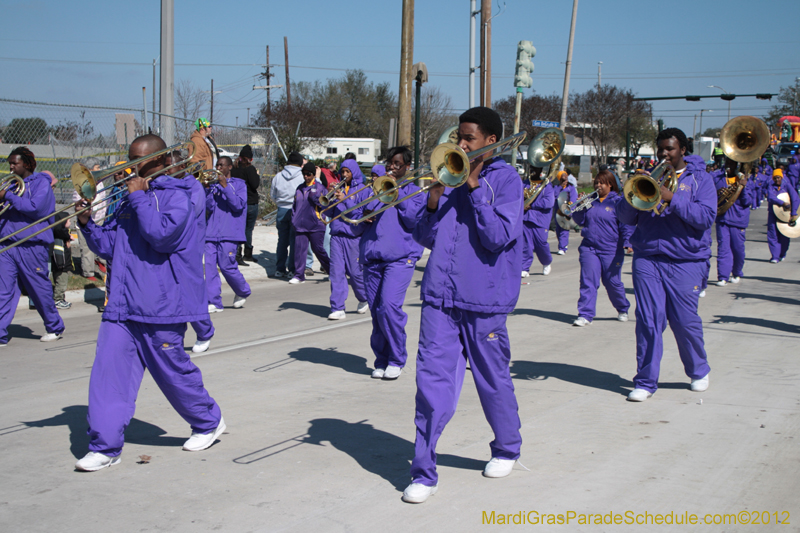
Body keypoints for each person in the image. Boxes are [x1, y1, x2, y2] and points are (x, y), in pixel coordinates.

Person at [74, 134, 224, 471]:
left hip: (162, 304)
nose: (128, 168)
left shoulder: (184, 194)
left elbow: (162, 235)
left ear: (160, 161)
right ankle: (105, 447)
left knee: (173, 373)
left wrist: (139, 196)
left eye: (136, 162)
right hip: (123, 303)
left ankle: (208, 422)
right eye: (129, 160)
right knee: (107, 376)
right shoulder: (130, 199)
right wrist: (86, 223)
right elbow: (110, 246)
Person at [403, 107, 523, 504]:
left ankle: (507, 448)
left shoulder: (505, 181)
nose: (460, 144)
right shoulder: (448, 177)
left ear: (490, 141)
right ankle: (423, 471)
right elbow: (425, 235)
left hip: (485, 299)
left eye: (468, 138)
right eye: (458, 137)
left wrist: (473, 188)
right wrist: (435, 200)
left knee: (492, 379)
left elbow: (498, 237)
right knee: (430, 385)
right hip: (440, 296)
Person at [616, 128, 716, 402]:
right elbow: (624, 218)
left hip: (686, 259)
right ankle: (646, 381)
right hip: (647, 258)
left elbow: (705, 217)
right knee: (649, 320)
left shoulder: (701, 180)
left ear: (683, 149)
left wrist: (671, 198)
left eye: (670, 149)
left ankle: (698, 370)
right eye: (661, 149)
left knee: (684, 321)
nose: (664, 154)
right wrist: (634, 192)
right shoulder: (648, 176)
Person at [360, 146, 425, 381]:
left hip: (400, 258)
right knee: (377, 314)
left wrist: (396, 194)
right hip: (372, 258)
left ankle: (397, 359)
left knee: (389, 307)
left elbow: (413, 221)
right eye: (390, 163)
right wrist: (364, 216)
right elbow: (354, 223)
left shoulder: (416, 192)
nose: (392, 167)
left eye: (397, 164)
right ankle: (381, 359)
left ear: (407, 167)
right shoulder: (374, 191)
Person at [0, 147, 66, 345]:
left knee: (39, 288)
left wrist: (8, 197)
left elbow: (35, 209)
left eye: (15, 163)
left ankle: (54, 327)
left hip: (32, 245)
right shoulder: (11, 185)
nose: (11, 167)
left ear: (27, 164)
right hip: (8, 243)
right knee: (3, 290)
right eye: (10, 163)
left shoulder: (41, 184)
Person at [571, 170, 632, 326]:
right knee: (588, 281)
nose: (598, 185)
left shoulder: (618, 202)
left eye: (601, 183)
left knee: (612, 282)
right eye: (596, 182)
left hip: (611, 249)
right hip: (589, 248)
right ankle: (585, 314)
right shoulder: (590, 200)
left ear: (610, 184)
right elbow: (579, 220)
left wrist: (628, 242)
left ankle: (622, 307)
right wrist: (580, 207)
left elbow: (626, 224)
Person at [203, 156, 251, 313]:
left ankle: (242, 290)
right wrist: (207, 189)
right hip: (211, 233)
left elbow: (238, 205)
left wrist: (225, 187)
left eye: (222, 165)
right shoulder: (214, 186)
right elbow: (208, 207)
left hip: (230, 233)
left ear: (229, 167)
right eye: (217, 165)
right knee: (210, 268)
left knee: (226, 266)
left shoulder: (239, 185)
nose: (218, 167)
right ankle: (214, 301)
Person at [324, 159, 369, 319]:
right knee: (336, 273)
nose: (344, 175)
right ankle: (337, 308)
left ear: (354, 172)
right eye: (342, 171)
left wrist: (345, 199)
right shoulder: (338, 188)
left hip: (353, 236)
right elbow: (328, 212)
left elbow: (359, 213)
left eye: (347, 172)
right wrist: (327, 199)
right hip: (336, 236)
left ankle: (364, 298)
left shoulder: (363, 190)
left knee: (355, 273)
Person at [713, 158, 754, 285]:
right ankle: (723, 276)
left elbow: (747, 202)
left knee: (738, 249)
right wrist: (718, 194)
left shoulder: (746, 180)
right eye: (728, 164)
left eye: (732, 164)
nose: (729, 166)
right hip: (723, 219)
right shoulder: (719, 179)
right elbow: (712, 195)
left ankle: (736, 272)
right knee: (723, 248)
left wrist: (744, 187)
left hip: (738, 220)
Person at [289, 162, 330, 284]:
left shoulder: (320, 188)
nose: (306, 176)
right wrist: (294, 218)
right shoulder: (299, 188)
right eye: (304, 174)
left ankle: (332, 271)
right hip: (300, 225)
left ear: (313, 174)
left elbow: (325, 205)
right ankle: (299, 275)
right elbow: (295, 205)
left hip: (316, 224)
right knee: (300, 250)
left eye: (309, 174)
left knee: (318, 250)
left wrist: (314, 197)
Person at [271, 152, 305, 279]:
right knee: (295, 240)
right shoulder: (302, 176)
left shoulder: (278, 176)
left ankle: (279, 269)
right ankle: (292, 269)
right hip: (297, 209)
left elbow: (273, 194)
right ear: (301, 163)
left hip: (281, 209)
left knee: (282, 241)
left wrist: (280, 203)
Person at [521, 166, 554, 277]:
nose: (533, 170)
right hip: (526, 218)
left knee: (541, 244)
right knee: (526, 244)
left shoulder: (547, 186)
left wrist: (532, 205)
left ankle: (546, 262)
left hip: (540, 220)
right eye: (531, 168)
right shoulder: (525, 183)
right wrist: (522, 205)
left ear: (541, 171)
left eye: (536, 168)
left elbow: (549, 202)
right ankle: (524, 268)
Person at [231, 145, 261, 265]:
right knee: (248, 229)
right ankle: (246, 254)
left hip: (238, 202)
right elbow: (255, 185)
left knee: (238, 228)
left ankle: (237, 253)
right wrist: (257, 175)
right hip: (250, 203)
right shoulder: (250, 169)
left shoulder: (234, 169)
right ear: (249, 159)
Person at [766, 168, 799, 263]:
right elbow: (770, 197)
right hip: (773, 214)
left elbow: (795, 198)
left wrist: (793, 213)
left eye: (778, 178)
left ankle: (782, 253)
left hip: (785, 215)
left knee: (784, 235)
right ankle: (775, 256)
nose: (777, 180)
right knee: (772, 234)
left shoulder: (787, 186)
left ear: (781, 177)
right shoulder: (771, 186)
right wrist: (782, 203)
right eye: (775, 178)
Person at [51, 210, 72, 310]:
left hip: (63, 264)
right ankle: (57, 299)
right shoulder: (60, 236)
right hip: (61, 265)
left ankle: (61, 299)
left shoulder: (65, 234)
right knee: (62, 283)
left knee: (59, 282)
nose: (70, 223)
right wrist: (68, 237)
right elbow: (60, 253)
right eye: (69, 220)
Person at [553, 170, 576, 254]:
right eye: (562, 180)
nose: (565, 181)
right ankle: (563, 244)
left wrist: (571, 209)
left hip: (566, 211)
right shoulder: (556, 188)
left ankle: (562, 247)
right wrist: (560, 187)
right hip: (557, 211)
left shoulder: (571, 187)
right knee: (558, 230)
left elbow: (573, 198)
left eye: (566, 179)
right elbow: (554, 196)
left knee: (564, 229)